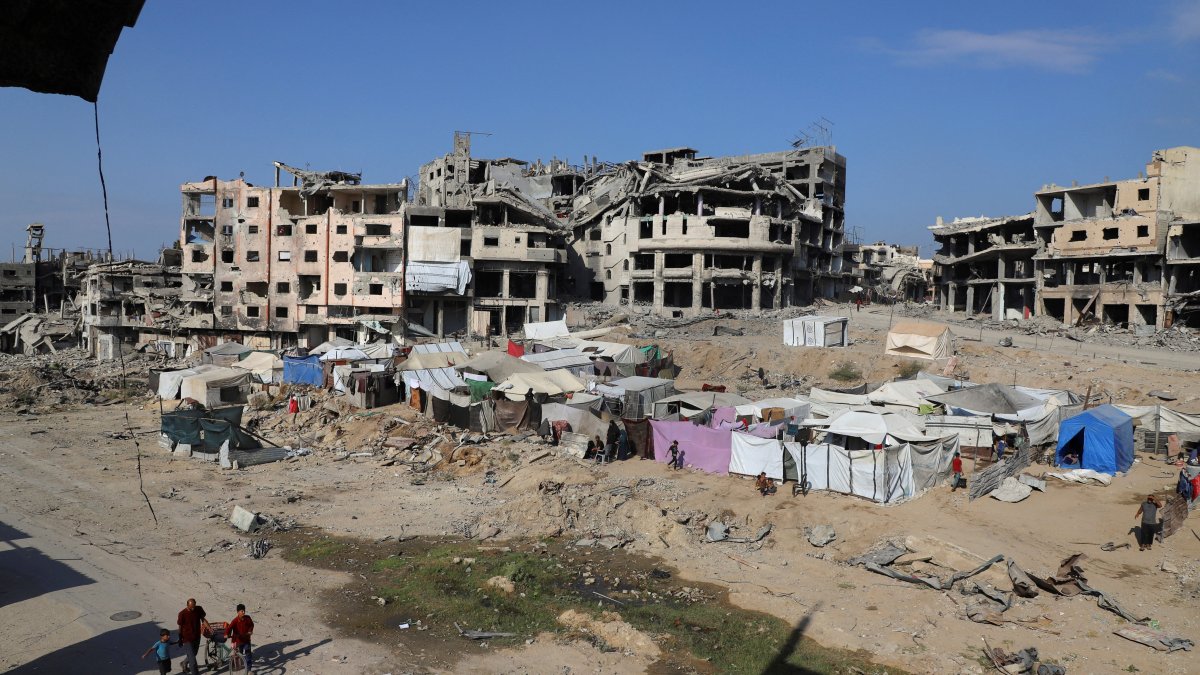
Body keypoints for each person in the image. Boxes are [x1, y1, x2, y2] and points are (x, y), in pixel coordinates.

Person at [177, 598, 210, 675]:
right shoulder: (182, 614)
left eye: (194, 606)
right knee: (193, 661)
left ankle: (184, 663)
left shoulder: (198, 609)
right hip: (187, 639)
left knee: (194, 653)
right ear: (187, 605)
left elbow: (203, 619)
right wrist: (180, 638)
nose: (193, 608)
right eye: (191, 607)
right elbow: (180, 627)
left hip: (197, 637)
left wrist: (209, 628)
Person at [227, 604, 254, 672]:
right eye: (242, 611)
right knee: (240, 655)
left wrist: (250, 631)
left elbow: (251, 625)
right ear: (238, 612)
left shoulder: (248, 618)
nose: (243, 612)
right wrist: (226, 634)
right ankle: (240, 666)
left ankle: (249, 670)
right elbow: (229, 628)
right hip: (238, 641)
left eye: (244, 611)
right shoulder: (235, 621)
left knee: (248, 655)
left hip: (246, 639)